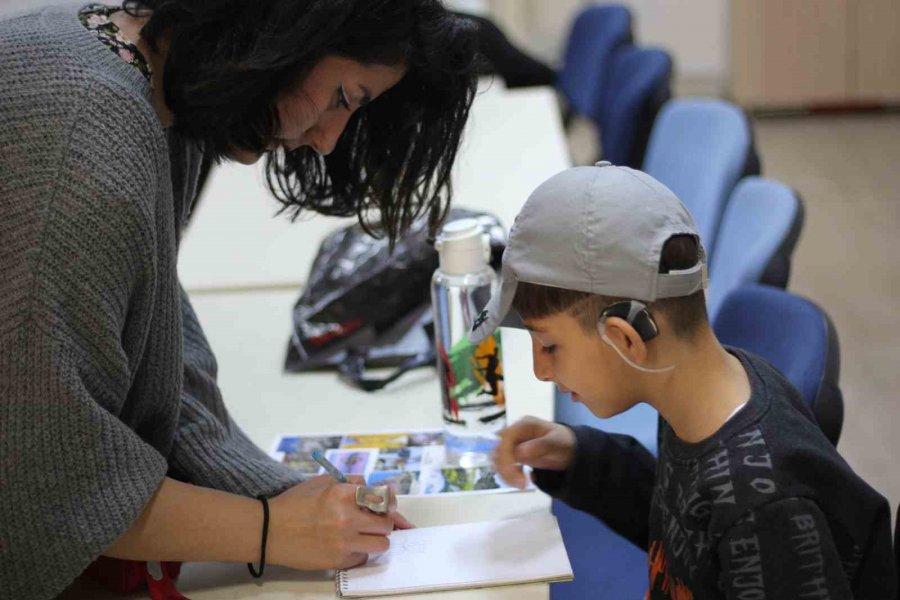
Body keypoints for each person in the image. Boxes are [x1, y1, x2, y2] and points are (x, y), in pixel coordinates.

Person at [0, 0, 477, 598]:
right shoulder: (88, 133)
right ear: (288, 29)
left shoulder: (158, 81)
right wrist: (270, 528)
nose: (328, 143)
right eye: (342, 98)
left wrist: (269, 493)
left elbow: (149, 319)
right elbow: (42, 485)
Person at [471, 162, 897, 598]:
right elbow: (684, 530)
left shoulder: (764, 510)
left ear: (625, 339)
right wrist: (582, 457)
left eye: (549, 346)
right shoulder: (694, 393)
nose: (541, 371)